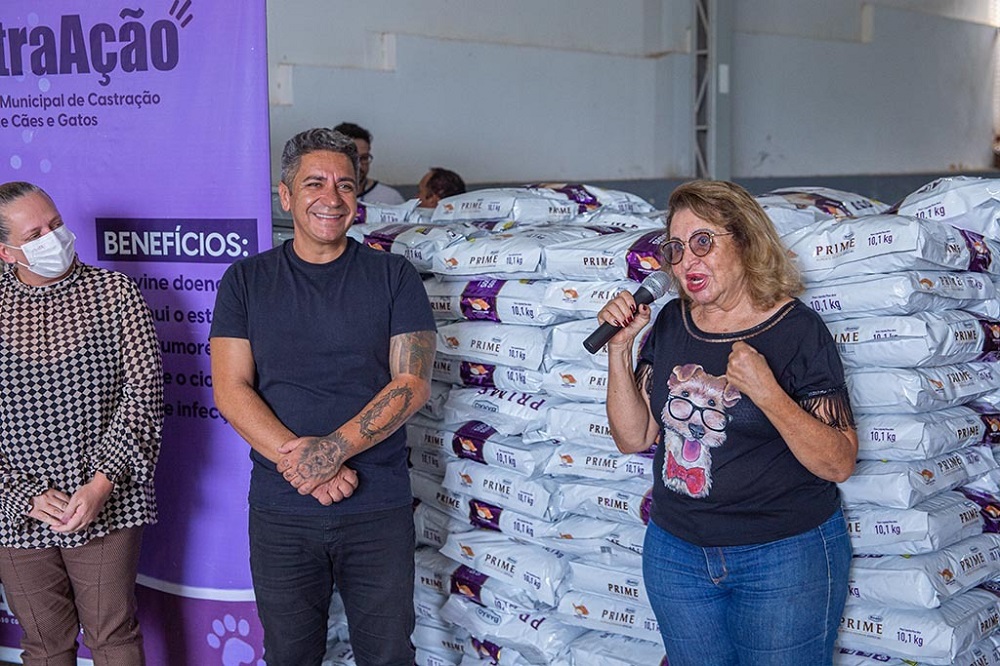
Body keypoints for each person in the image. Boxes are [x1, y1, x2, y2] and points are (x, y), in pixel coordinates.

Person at [598, 180, 857, 666]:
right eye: (676, 248)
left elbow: (838, 463)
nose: (686, 261)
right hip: (677, 555)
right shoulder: (671, 323)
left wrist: (767, 393)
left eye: (703, 242)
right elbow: (633, 437)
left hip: (782, 557)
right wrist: (620, 349)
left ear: (745, 241)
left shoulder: (797, 331)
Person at [210, 127, 436, 666]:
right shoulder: (246, 281)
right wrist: (309, 467)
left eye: (345, 185)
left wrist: (333, 450)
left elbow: (411, 383)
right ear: (286, 196)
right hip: (282, 509)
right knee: (290, 655)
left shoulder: (393, 277)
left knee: (388, 655)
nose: (332, 198)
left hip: (376, 505)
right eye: (314, 183)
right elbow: (230, 389)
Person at [0, 181, 164, 665]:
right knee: (44, 645)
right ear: (7, 252)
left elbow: (144, 396)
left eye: (55, 224)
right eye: (34, 235)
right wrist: (19, 495)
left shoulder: (114, 293)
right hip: (15, 509)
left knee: (112, 635)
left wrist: (101, 483)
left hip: (106, 498)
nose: (52, 238)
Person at [332, 122, 405, 205]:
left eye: (364, 158)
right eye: (351, 158)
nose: (358, 165)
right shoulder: (322, 197)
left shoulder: (390, 198)